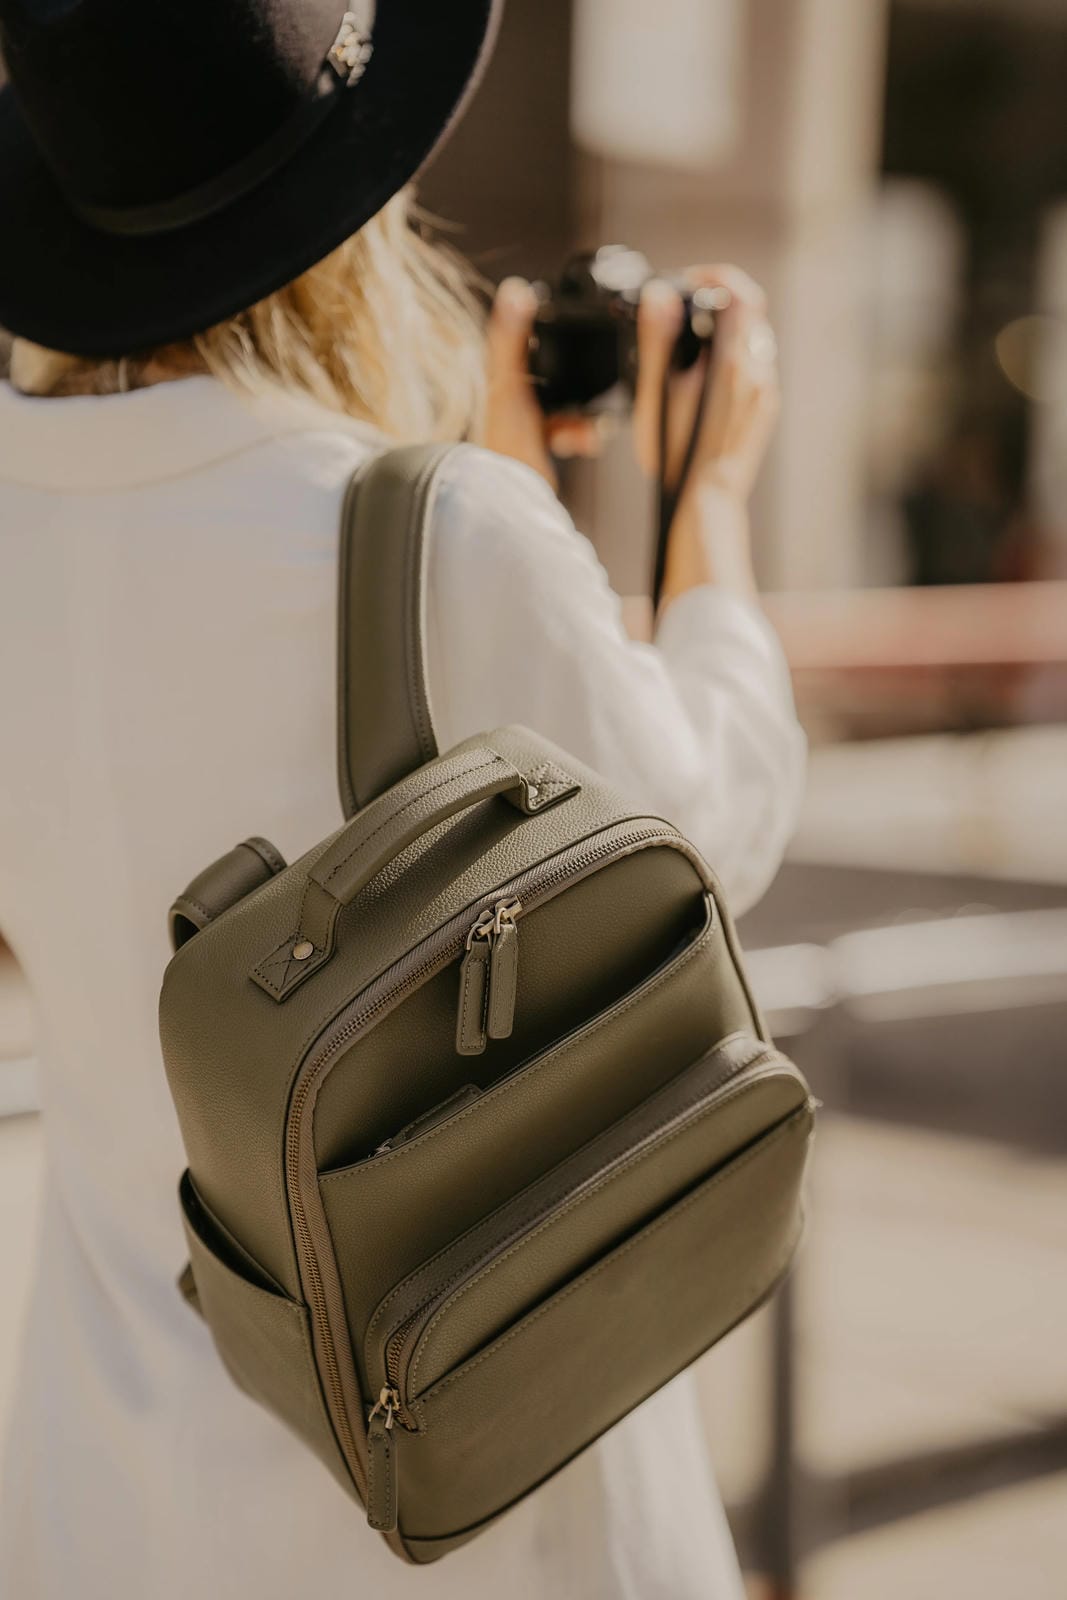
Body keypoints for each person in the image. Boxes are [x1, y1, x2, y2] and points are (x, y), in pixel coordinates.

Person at [0, 2, 804, 1596]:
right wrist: (705, 507)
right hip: (466, 1476)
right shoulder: (442, 539)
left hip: (107, 1487)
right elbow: (707, 836)